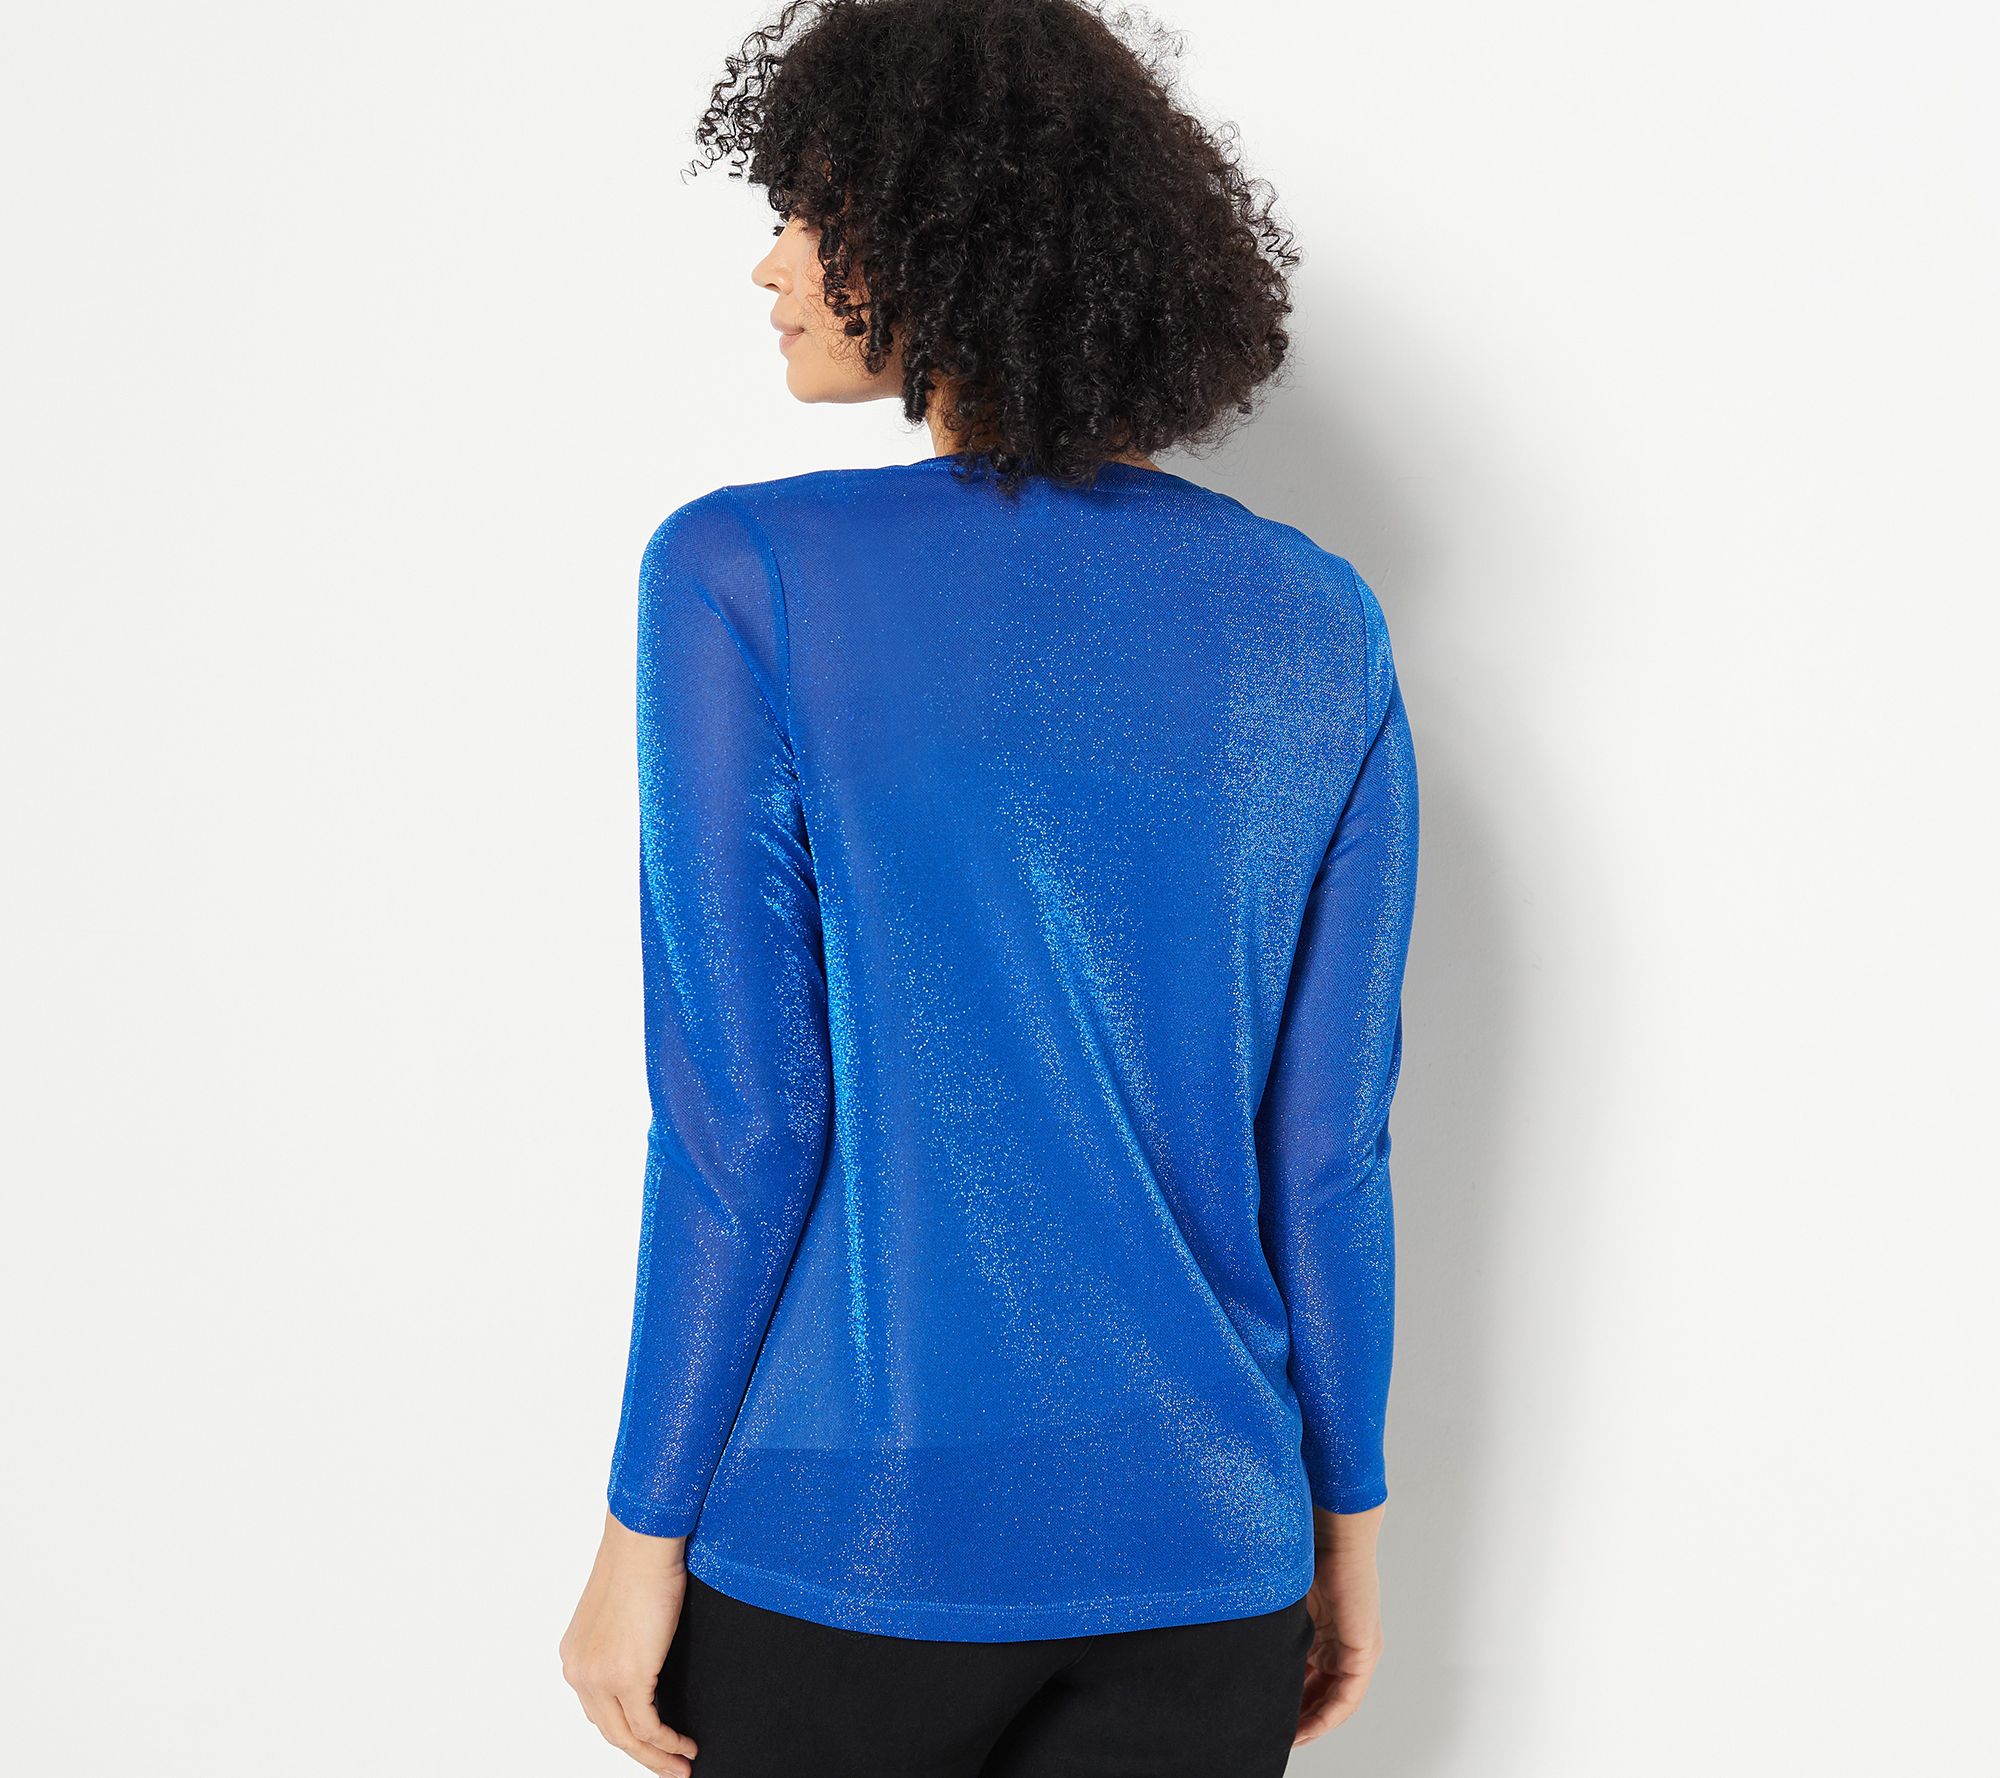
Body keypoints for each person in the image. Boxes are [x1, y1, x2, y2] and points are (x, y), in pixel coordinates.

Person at [560, 2, 1421, 1772]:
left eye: (811, 212)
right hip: (1213, 1556)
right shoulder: (1319, 621)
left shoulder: (744, 574)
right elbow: (1328, 1148)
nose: (769, 265)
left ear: (945, 233)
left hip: (851, 1549)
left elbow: (743, 1126)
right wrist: (1346, 1522)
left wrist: (638, 1537)